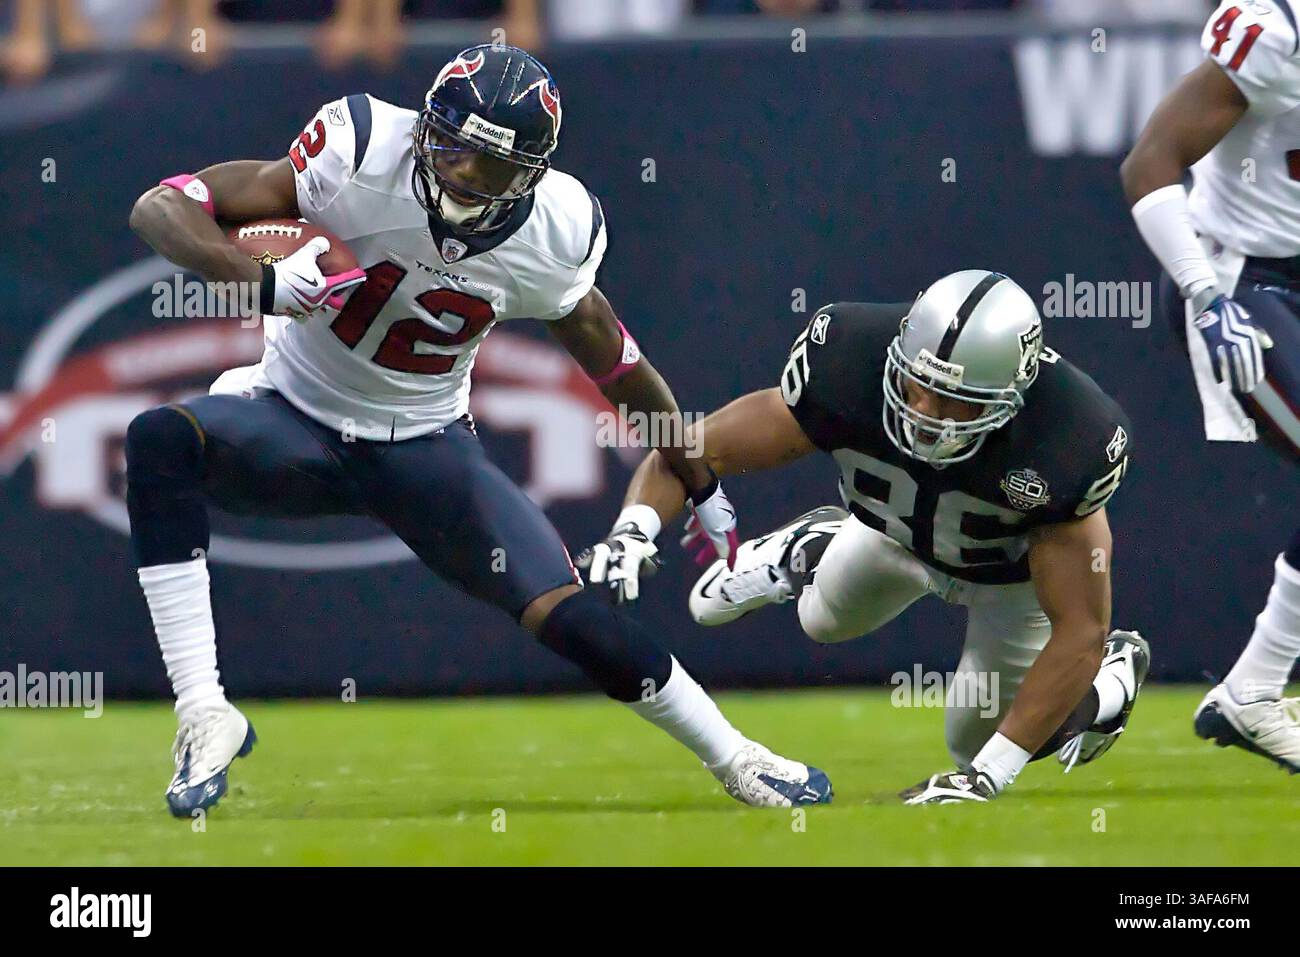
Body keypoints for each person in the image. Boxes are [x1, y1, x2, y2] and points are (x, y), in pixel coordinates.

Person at [126, 44, 832, 816]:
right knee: (161, 438)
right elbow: (161, 206)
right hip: (290, 418)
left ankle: (736, 755)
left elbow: (616, 361)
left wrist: (694, 470)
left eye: (492, 168)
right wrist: (256, 280)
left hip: (424, 448)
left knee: (574, 618)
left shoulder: (556, 229)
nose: (464, 176)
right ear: (427, 127)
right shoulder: (359, 146)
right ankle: (204, 712)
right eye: (455, 149)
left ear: (532, 173)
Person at [583, 271, 1149, 803]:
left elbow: (1080, 628)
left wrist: (985, 778)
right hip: (892, 536)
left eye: (953, 399)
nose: (923, 410)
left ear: (1011, 395)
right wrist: (634, 530)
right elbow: (694, 448)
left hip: (1007, 583)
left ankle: (1114, 679)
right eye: (915, 383)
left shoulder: (1071, 436)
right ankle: (817, 546)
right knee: (821, 621)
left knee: (982, 743)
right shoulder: (850, 358)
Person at [1122, 0, 1300, 772]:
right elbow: (1149, 160)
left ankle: (1253, 689)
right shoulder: (1275, 30)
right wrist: (1205, 294)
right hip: (1238, 281)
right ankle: (1255, 690)